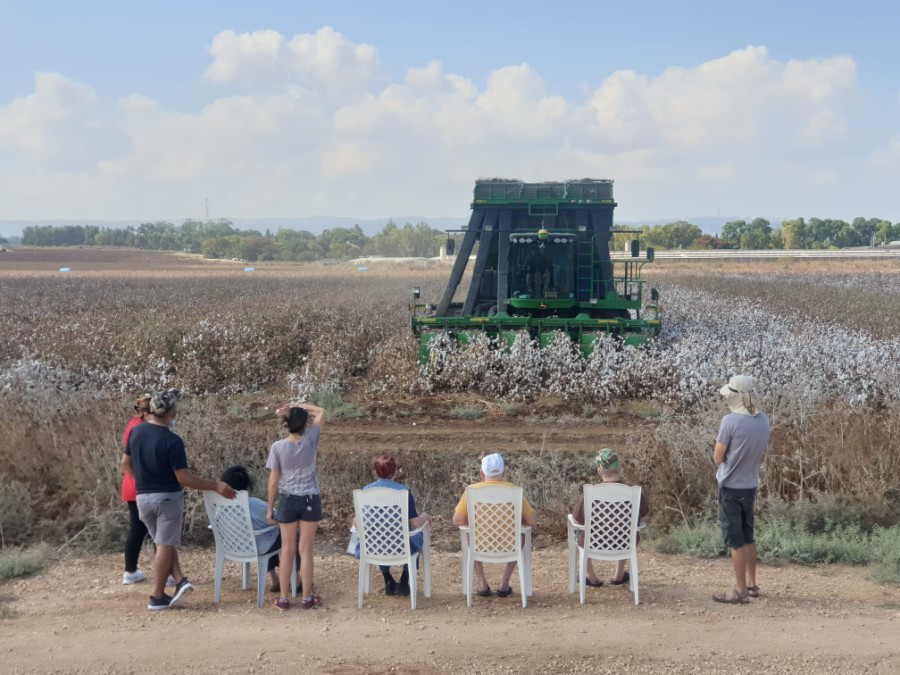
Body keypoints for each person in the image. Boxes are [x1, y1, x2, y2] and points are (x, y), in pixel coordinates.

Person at [123, 389, 237, 611]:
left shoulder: (136, 432)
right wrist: (215, 485)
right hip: (167, 497)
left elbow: (125, 463)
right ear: (172, 413)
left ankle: (180, 580)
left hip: (142, 497)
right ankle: (156, 596)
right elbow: (183, 478)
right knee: (165, 544)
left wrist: (141, 482)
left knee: (163, 542)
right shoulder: (172, 441)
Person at [711, 375, 771, 605]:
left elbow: (718, 458)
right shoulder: (764, 419)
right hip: (750, 485)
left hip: (730, 487)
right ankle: (751, 583)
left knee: (735, 539)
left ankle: (739, 590)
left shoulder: (730, 421)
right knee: (748, 535)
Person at [266, 402, 326, 611]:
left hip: (287, 500)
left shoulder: (277, 447)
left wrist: (270, 508)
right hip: (310, 499)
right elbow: (321, 411)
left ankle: (283, 598)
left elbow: (273, 482)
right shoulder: (310, 440)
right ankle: (307, 598)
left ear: (286, 424)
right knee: (306, 550)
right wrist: (298, 405)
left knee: (287, 550)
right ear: (304, 425)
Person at [451, 453, 536, 598]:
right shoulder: (514, 490)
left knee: (470, 535)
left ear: (481, 472)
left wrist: (474, 521)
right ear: (504, 472)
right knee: (520, 537)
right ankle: (504, 583)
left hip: (479, 545)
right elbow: (532, 520)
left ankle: (482, 583)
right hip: (509, 545)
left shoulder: (472, 491)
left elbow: (457, 520)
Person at [571, 449, 649, 587]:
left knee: (577, 531)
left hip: (593, 543)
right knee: (629, 532)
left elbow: (577, 520)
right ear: (619, 468)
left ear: (599, 472)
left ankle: (592, 578)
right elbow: (645, 517)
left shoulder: (590, 493)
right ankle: (619, 576)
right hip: (625, 543)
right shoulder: (633, 493)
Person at [356, 454, 431, 596]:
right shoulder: (404, 491)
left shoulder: (365, 491)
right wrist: (425, 517)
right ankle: (405, 580)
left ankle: (388, 579)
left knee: (378, 534)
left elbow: (357, 521)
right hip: (401, 546)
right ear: (394, 472)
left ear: (374, 471)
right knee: (418, 535)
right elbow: (415, 522)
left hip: (374, 547)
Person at [220, 465, 298, 593]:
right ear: (246, 483)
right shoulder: (253, 504)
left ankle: (274, 578)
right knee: (287, 533)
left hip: (233, 546)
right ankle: (297, 579)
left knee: (267, 534)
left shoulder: (220, 506)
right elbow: (275, 519)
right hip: (257, 546)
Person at [121, 394, 151, 585]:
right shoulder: (142, 428)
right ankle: (169, 574)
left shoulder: (132, 424)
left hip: (131, 485)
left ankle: (130, 571)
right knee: (158, 530)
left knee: (137, 529)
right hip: (142, 484)